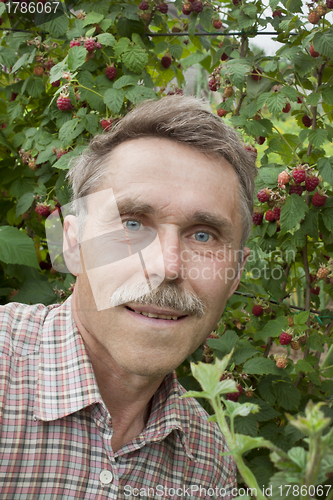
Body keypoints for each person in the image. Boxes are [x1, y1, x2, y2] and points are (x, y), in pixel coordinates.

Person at [0, 95, 257, 499]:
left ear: (235, 274)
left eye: (203, 234)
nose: (167, 266)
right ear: (72, 244)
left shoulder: (210, 462)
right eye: (133, 222)